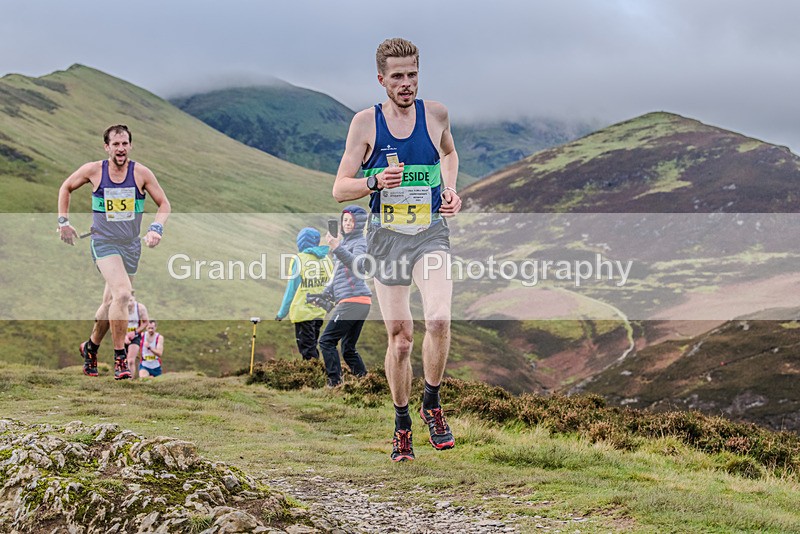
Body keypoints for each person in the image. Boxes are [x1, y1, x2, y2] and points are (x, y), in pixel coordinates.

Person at [332, 38, 462, 461]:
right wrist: (374, 183)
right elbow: (339, 189)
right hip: (386, 238)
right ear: (381, 80)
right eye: (397, 77)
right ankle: (402, 422)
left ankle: (432, 403)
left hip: (430, 232)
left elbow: (450, 152)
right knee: (401, 340)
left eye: (412, 75)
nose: (406, 84)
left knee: (439, 319)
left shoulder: (436, 114)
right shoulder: (365, 124)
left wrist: (452, 191)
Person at [58, 124, 170, 380]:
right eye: (115, 144)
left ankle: (90, 347)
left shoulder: (141, 173)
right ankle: (120, 358)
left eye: (125, 144)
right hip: (104, 242)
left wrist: (156, 228)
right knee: (123, 295)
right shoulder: (94, 171)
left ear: (130, 145)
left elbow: (164, 203)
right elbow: (66, 187)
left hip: (131, 245)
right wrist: (63, 222)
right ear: (106, 147)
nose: (120, 149)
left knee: (110, 303)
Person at [317, 206, 371, 387]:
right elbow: (340, 276)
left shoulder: (360, 243)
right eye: (345, 220)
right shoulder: (345, 244)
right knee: (348, 349)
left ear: (359, 224)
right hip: (357, 301)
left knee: (326, 341)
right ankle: (367, 383)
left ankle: (335, 383)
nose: (347, 224)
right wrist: (325, 294)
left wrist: (337, 247)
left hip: (353, 301)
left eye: (351, 221)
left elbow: (358, 266)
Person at [275, 227, 334, 360]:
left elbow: (292, 289)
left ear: (300, 242)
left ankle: (312, 377)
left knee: (307, 350)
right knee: (312, 345)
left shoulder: (299, 260)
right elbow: (331, 285)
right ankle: (315, 375)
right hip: (319, 311)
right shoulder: (326, 260)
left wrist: (281, 313)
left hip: (303, 312)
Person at [125, 290, 150, 377]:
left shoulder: (140, 308)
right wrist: (124, 336)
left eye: (131, 301)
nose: (129, 304)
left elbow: (146, 322)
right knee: (121, 360)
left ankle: (130, 380)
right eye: (127, 301)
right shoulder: (119, 307)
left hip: (135, 336)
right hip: (121, 336)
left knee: (131, 360)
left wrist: (135, 332)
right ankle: (120, 379)